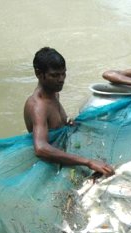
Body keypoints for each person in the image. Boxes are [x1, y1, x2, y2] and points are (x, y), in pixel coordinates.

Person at [24, 47, 114, 177]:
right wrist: (88, 162)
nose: (61, 79)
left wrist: (67, 122)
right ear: (39, 74)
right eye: (55, 75)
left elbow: (58, 122)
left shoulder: (54, 93)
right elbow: (41, 148)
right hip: (48, 162)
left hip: (63, 149)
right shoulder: (38, 106)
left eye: (63, 74)